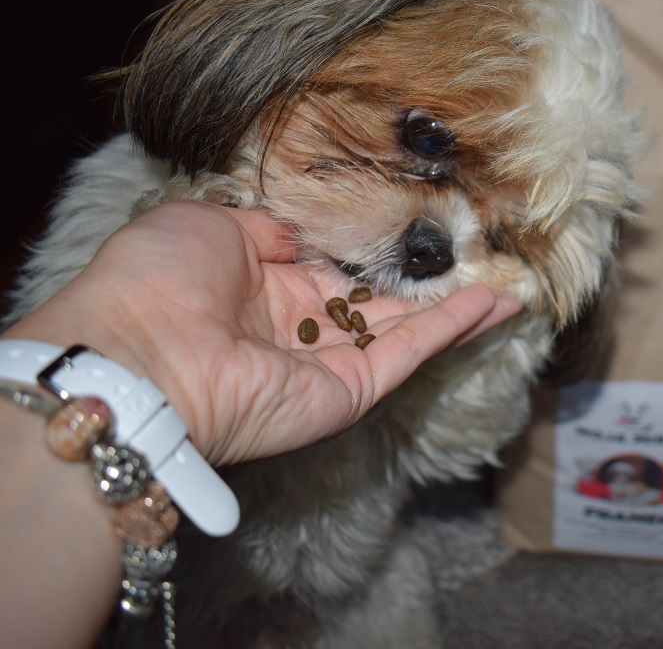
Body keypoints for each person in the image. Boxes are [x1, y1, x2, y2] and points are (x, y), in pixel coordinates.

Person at [0, 200, 521, 648]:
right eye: (425, 138)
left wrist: (147, 361)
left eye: (502, 234)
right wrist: (135, 344)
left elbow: (454, 444)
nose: (441, 244)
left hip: (336, 586)